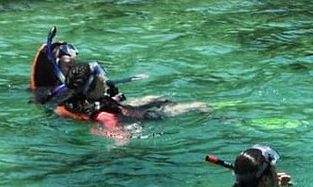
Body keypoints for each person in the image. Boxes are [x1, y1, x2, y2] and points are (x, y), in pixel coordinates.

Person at [30, 27, 210, 140]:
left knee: (157, 98)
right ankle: (225, 119)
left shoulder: (78, 97)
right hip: (135, 117)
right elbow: (117, 134)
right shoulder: (104, 116)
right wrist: (122, 138)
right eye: (70, 65)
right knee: (199, 106)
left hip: (120, 109)